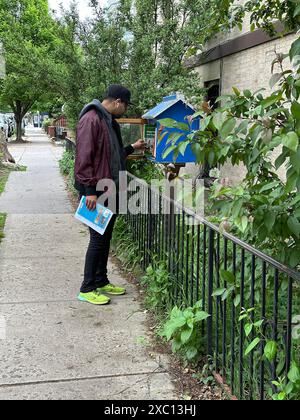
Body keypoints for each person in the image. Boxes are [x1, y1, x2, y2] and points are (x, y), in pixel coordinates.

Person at [74, 85, 145, 305]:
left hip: (109, 189)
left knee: (104, 239)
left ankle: (101, 280)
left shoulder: (108, 122)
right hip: (96, 192)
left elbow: (110, 157)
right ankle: (87, 288)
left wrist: (132, 147)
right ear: (117, 102)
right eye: (125, 106)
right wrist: (89, 192)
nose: (124, 111)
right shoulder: (92, 119)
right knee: (97, 240)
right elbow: (84, 157)